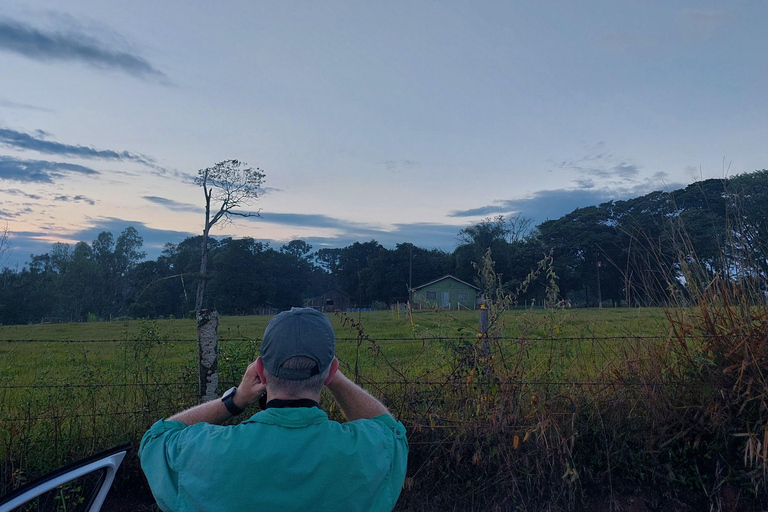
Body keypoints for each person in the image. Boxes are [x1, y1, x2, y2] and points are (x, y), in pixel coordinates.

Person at [138, 307, 408, 512]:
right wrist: (331, 376)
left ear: (260, 372)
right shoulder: (369, 451)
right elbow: (390, 430)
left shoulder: (208, 452)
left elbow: (158, 438)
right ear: (331, 372)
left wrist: (235, 401)